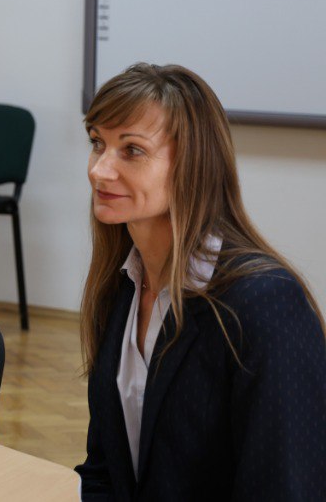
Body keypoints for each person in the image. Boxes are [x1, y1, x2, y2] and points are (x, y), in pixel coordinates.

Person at [76, 63, 326, 499]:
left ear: (193, 165)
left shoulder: (266, 303)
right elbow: (104, 470)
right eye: (98, 143)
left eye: (131, 150)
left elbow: (286, 488)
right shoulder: (119, 286)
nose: (99, 170)